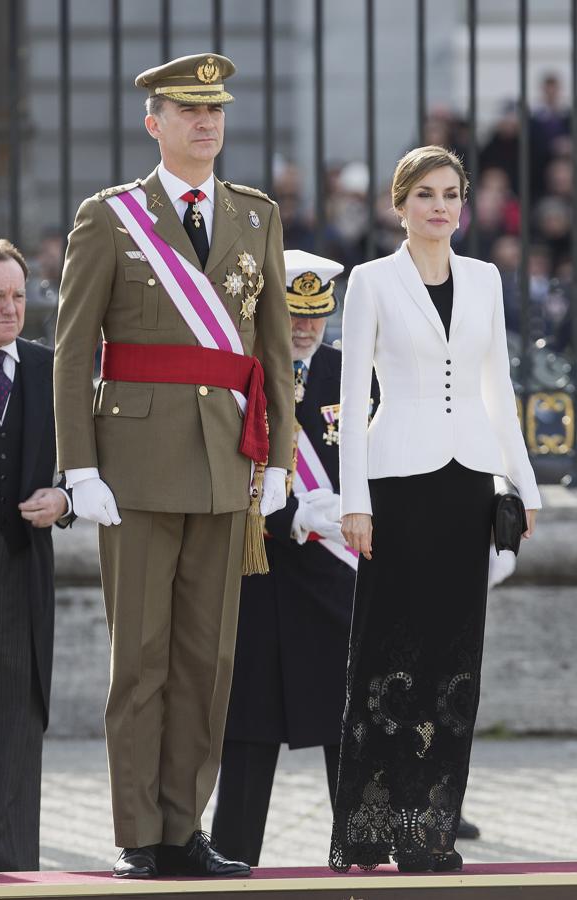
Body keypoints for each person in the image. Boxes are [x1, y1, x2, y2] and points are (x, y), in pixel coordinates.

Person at [53, 53, 294, 879]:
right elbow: (73, 351)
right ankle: (138, 832)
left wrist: (280, 462)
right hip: (135, 469)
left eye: (215, 110)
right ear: (153, 123)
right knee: (140, 659)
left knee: (206, 660)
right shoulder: (110, 217)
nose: (205, 123)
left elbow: (272, 354)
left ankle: (184, 826)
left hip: (226, 464)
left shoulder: (256, 216)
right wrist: (78, 467)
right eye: (188, 111)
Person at [329, 145, 541, 874]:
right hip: (395, 485)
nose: (440, 207)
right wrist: (353, 501)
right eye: (425, 194)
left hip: (465, 488)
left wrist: (524, 485)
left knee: (454, 661)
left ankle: (429, 832)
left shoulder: (484, 279)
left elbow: (497, 389)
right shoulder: (370, 280)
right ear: (400, 205)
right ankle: (369, 829)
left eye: (450, 194)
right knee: (388, 656)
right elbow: (353, 395)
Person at [211, 250, 377, 865]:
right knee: (249, 731)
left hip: (336, 576)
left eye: (316, 315)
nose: (305, 328)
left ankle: (361, 854)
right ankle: (232, 858)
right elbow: (224, 469)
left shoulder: (354, 374)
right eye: (293, 315)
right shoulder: (243, 373)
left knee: (349, 728)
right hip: (262, 573)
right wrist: (289, 515)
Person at [0, 238, 72, 872]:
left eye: (17, 295)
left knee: (14, 746)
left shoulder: (49, 369)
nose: (11, 308)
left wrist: (63, 500)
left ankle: (13, 883)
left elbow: (91, 470)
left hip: (20, 577)